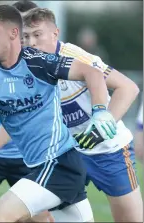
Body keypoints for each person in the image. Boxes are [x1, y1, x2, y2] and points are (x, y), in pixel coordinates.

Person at [0, 4, 117, 222]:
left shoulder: (39, 62)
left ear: (13, 33)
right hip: (38, 165)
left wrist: (100, 112)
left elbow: (91, 72)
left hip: (58, 162)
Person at [22, 7, 143, 222]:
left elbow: (128, 87)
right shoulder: (24, 67)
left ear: (55, 33)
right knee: (27, 213)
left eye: (37, 35)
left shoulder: (77, 57)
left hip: (110, 151)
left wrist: (104, 123)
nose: (31, 42)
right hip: (67, 154)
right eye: (26, 36)